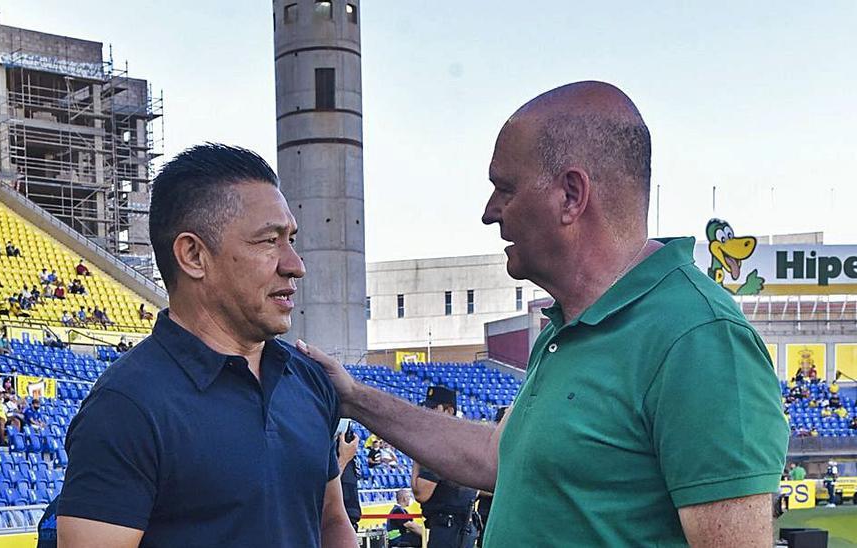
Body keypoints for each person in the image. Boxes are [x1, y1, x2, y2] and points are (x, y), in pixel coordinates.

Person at [294, 82, 789, 546]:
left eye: (505, 188)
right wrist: (355, 398)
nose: (491, 211)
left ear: (572, 196)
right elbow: (495, 457)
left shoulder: (699, 337)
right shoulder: (570, 326)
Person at [58, 144, 353, 547]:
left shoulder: (308, 382)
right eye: (269, 241)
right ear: (194, 255)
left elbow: (332, 522)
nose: (295, 264)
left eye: (291, 239)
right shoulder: (125, 407)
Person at [412, 387, 478, 548]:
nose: (427, 413)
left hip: (447, 529)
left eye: (433, 408)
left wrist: (416, 454)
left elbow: (422, 493)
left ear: (449, 410)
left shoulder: (440, 444)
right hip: (461, 527)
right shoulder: (462, 438)